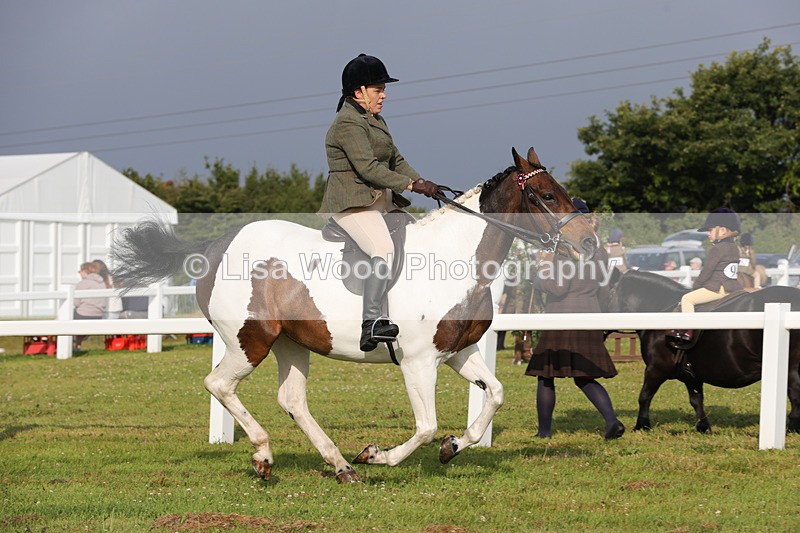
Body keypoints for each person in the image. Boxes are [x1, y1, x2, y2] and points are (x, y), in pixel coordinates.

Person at [318, 54, 440, 352]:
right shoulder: (347, 123)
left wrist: (425, 183)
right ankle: (371, 322)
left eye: (383, 89)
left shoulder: (375, 120)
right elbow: (368, 168)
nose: (384, 95)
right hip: (354, 204)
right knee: (382, 249)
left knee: (417, 238)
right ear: (358, 92)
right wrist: (411, 185)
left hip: (381, 201)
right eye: (377, 89)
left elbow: (396, 160)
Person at [524, 201, 625, 441]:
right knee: (584, 377)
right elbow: (603, 288)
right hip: (589, 315)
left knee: (546, 375)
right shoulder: (600, 250)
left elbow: (558, 288)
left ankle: (544, 431)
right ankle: (612, 421)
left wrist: (538, 278)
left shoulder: (567, 248)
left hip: (561, 318)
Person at [667, 208, 744, 347]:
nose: (708, 234)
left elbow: (707, 272)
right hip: (733, 287)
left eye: (710, 230)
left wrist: (695, 286)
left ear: (722, 230)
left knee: (687, 299)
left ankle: (688, 331)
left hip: (718, 289)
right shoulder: (734, 247)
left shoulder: (717, 249)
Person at [73, 262, 107, 350]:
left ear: (84, 271)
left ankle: (72, 344)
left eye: (79, 271)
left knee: (66, 316)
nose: (80, 274)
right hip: (98, 315)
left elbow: (76, 303)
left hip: (84, 315)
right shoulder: (102, 283)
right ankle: (77, 345)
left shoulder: (83, 283)